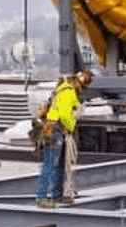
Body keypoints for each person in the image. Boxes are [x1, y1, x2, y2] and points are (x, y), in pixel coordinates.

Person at [34, 69, 91, 207]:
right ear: (78, 83)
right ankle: (41, 198)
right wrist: (71, 126)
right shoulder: (68, 92)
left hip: (53, 127)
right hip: (56, 128)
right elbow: (65, 114)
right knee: (50, 163)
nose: (81, 89)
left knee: (58, 164)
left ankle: (57, 196)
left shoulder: (63, 90)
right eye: (81, 86)